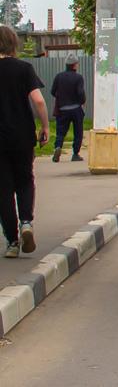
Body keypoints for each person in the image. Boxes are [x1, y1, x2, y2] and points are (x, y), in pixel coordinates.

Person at [0, 25, 48, 259]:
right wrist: (45, 126)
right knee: (25, 180)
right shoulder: (24, 69)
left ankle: (12, 242)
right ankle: (26, 222)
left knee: (3, 189)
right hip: (22, 137)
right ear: (14, 44)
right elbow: (38, 100)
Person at [50, 57, 87, 162]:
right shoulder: (78, 78)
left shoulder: (59, 77)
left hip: (62, 109)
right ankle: (75, 154)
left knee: (61, 131)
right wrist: (83, 100)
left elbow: (53, 91)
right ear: (75, 65)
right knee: (78, 131)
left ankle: (58, 146)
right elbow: (80, 92)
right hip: (76, 109)